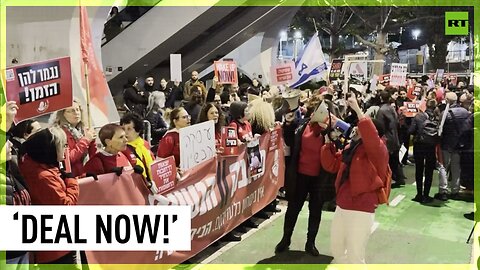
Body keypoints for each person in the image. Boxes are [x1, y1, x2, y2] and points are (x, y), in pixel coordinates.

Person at [321, 94, 389, 264]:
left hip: (362, 207)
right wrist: (327, 141)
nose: (356, 129)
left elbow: (371, 136)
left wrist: (358, 110)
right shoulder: (352, 148)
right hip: (343, 204)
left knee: (355, 254)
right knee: (337, 249)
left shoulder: (378, 151)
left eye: (361, 128)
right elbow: (331, 165)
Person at [275, 97, 330, 257]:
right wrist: (288, 124)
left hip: (319, 177)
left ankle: (310, 242)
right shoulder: (301, 126)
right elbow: (290, 142)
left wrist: (329, 133)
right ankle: (286, 239)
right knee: (293, 208)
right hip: (300, 175)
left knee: (315, 210)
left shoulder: (328, 129)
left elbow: (335, 147)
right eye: (315, 112)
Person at [20, 126, 80, 268]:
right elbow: (66, 206)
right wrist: (72, 182)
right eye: (63, 145)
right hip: (56, 248)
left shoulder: (35, 164)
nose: (66, 149)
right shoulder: (43, 177)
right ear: (50, 148)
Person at [2, 101, 31, 269]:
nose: (11, 145)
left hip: (20, 245)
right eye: (6, 142)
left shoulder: (10, 168)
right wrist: (6, 121)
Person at [50, 100, 97, 177]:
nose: (76, 113)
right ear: (62, 114)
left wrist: (92, 142)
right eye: (71, 111)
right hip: (73, 176)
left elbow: (92, 156)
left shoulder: (84, 130)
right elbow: (69, 158)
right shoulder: (59, 133)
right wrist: (86, 140)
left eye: (78, 109)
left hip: (87, 173)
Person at [408, 99, 438, 203]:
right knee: (429, 171)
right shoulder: (438, 117)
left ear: (426, 105)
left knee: (419, 169)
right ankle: (426, 195)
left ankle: (419, 194)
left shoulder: (418, 116)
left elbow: (411, 131)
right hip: (431, 146)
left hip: (419, 145)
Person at [376, 90, 403, 185]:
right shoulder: (392, 108)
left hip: (387, 138)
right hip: (395, 136)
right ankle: (399, 178)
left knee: (387, 161)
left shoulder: (381, 110)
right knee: (395, 160)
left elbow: (380, 126)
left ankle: (390, 179)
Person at [120, 112, 155, 181]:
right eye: (123, 129)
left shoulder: (144, 144)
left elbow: (153, 162)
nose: (125, 132)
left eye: (129, 129)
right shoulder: (121, 148)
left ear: (138, 130)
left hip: (151, 182)